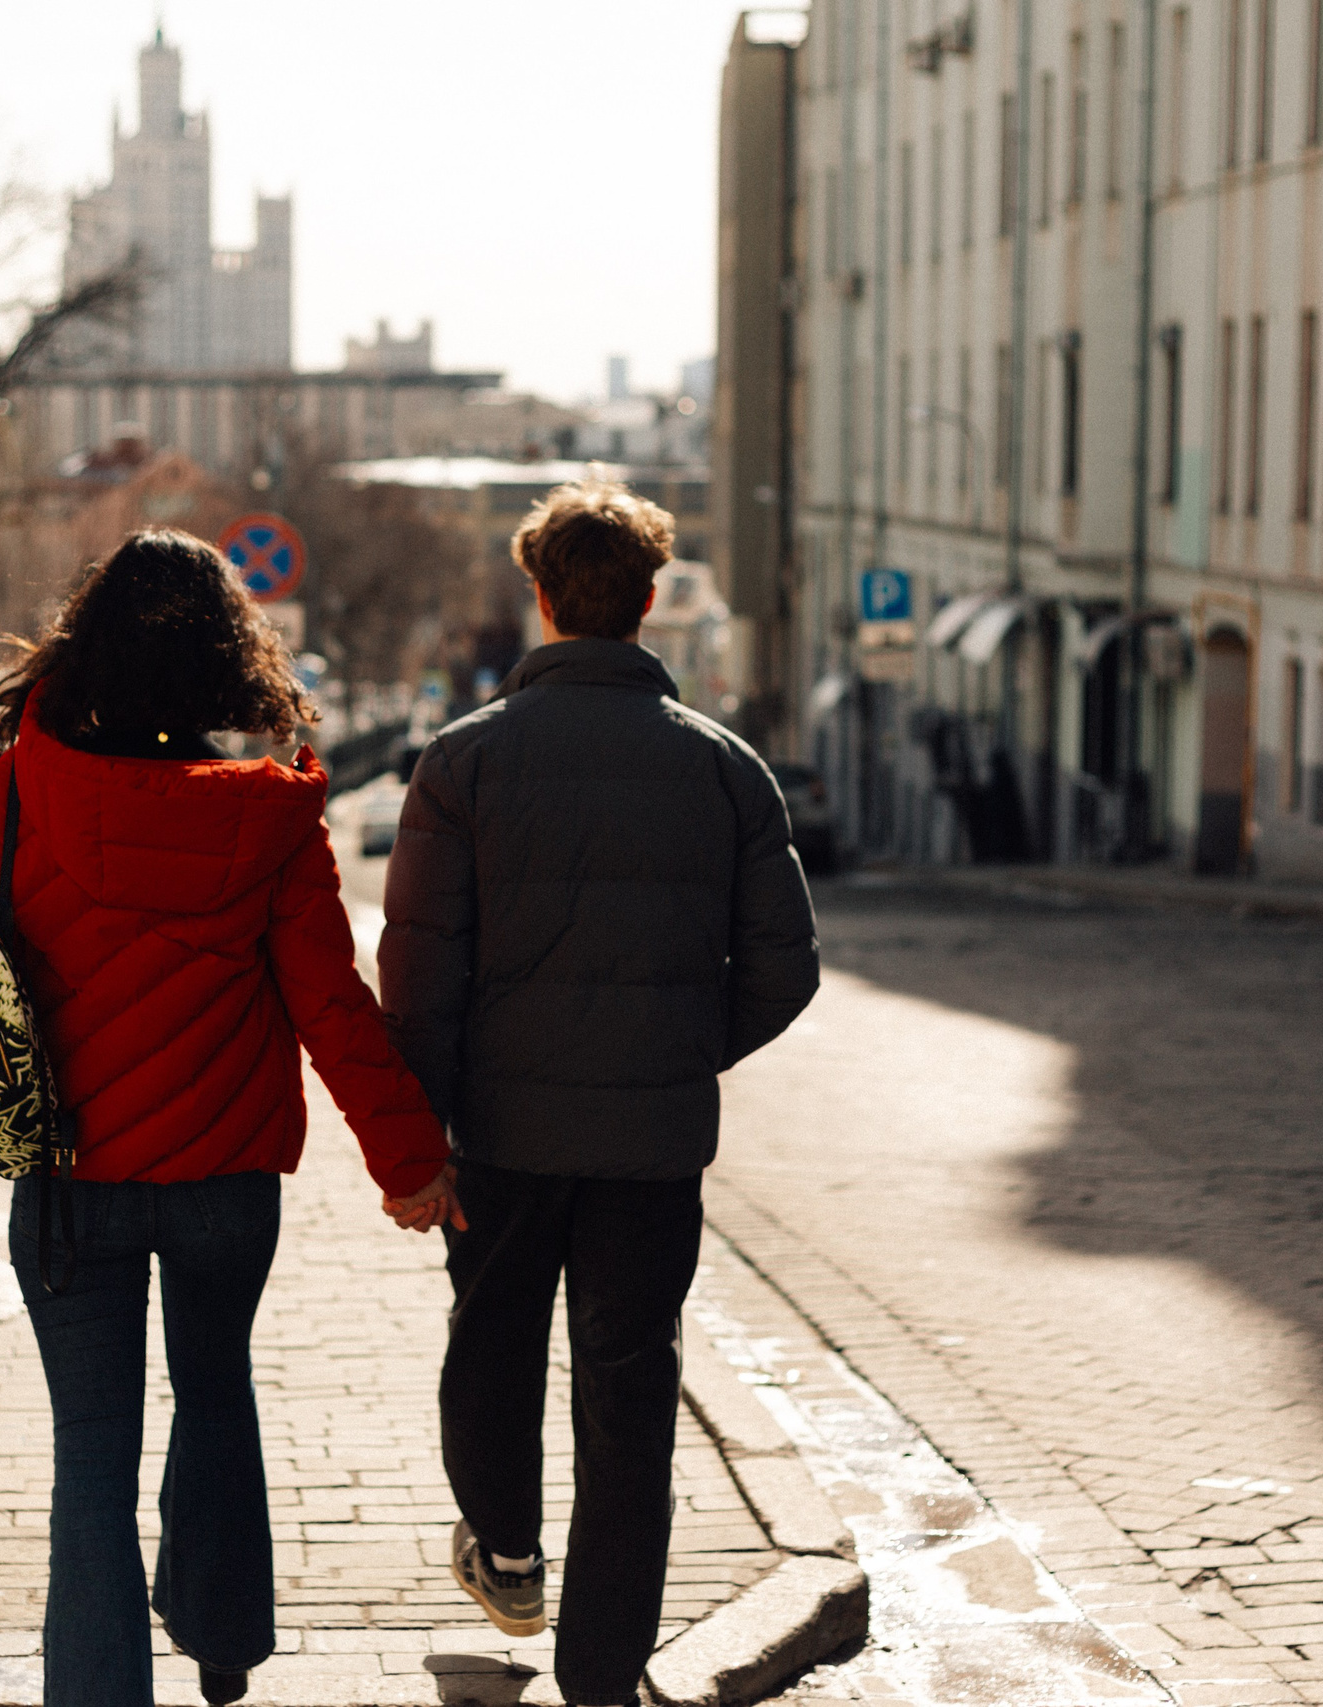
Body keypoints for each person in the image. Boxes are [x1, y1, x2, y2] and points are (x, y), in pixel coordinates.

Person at [0, 530, 463, 1707]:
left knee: (91, 1460)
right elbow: (331, 1005)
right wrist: (409, 1161)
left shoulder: (17, 794)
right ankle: (223, 1640)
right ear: (233, 662)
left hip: (72, 1183)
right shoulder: (273, 818)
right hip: (225, 1178)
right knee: (216, 1385)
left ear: (85, 648)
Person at [379, 480, 821, 1706]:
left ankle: (508, 1554)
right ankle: (602, 1669)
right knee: (630, 1390)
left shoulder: (463, 762)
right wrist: (676, 1049)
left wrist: (427, 1124)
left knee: (493, 1344)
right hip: (652, 1141)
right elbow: (785, 967)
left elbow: (417, 972)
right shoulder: (725, 769)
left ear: (538, 596)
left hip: (504, 1133)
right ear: (651, 601)